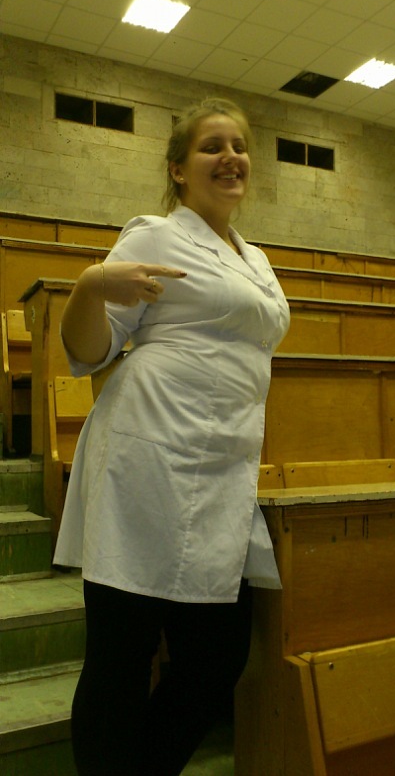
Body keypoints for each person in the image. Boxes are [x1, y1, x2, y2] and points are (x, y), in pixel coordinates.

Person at [53, 97, 290, 775]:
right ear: (178, 169)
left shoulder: (257, 258)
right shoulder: (155, 234)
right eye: (212, 146)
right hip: (145, 452)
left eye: (239, 145)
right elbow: (89, 352)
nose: (230, 157)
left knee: (216, 659)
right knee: (120, 657)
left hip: (221, 467)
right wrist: (91, 285)